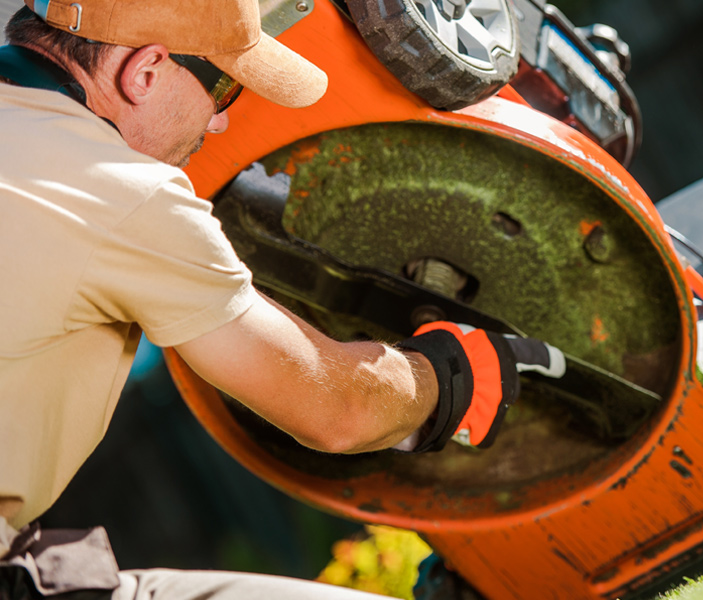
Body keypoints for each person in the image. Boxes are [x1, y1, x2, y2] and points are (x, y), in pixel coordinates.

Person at [0, 0, 565, 598]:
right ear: (144, 72)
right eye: (224, 90)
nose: (217, 122)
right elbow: (336, 410)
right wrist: (449, 374)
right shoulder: (116, 189)